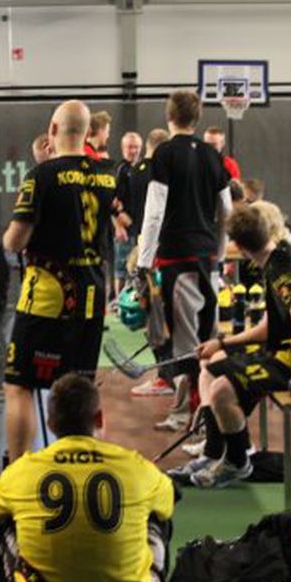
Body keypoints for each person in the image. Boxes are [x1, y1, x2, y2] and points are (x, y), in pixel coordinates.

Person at [0, 373, 175, 582]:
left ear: (50, 424)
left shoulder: (21, 471)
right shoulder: (137, 467)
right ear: (99, 418)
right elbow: (168, 502)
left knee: (3, 520)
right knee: (157, 514)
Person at [2, 100, 123, 463]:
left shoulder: (41, 176)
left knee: (19, 384)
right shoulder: (109, 174)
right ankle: (84, 467)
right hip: (92, 296)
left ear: (53, 130)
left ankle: (18, 471)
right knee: (81, 390)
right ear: (87, 133)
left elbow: (15, 241)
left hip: (49, 298)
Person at [177, 202, 291, 487]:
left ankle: (237, 460)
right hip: (281, 348)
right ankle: (215, 452)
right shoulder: (285, 253)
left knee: (221, 390)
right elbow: (271, 325)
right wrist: (222, 342)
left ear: (240, 247)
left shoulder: (280, 267)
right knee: (210, 366)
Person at [138, 91, 233, 433]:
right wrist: (219, 253)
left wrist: (144, 261)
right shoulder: (213, 156)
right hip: (207, 259)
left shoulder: (163, 154)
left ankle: (186, 415)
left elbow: (154, 212)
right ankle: (207, 414)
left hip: (177, 259)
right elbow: (227, 212)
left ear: (169, 116)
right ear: (197, 117)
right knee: (209, 337)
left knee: (184, 342)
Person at [122, 128, 174, 398]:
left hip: (151, 248)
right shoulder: (165, 171)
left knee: (155, 313)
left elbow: (145, 214)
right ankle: (168, 374)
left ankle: (166, 377)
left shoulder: (144, 171)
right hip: (163, 248)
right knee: (160, 311)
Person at [112, 131, 143, 299]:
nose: (134, 151)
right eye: (130, 147)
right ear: (123, 148)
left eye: (136, 147)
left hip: (141, 229)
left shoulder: (143, 168)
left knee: (137, 270)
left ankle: (134, 302)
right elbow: (111, 199)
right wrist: (118, 222)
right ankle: (119, 303)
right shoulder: (120, 169)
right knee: (122, 269)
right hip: (125, 230)